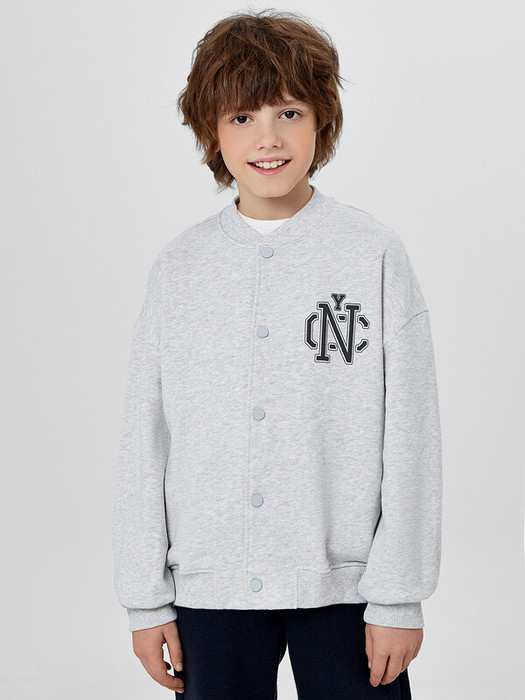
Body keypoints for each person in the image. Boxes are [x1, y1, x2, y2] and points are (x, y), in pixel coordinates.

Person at [112, 8, 443, 699]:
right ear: (212, 132)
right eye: (242, 117)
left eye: (289, 112)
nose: (268, 138)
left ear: (321, 121)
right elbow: (145, 439)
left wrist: (399, 596)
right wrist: (146, 600)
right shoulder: (180, 269)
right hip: (210, 585)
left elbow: (411, 433)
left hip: (349, 587)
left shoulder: (371, 254)